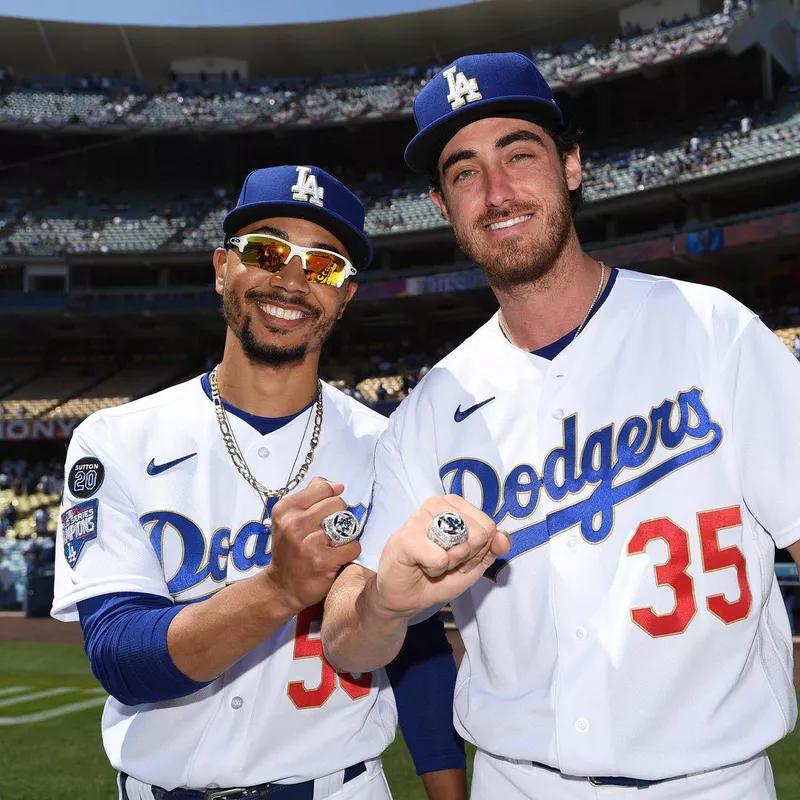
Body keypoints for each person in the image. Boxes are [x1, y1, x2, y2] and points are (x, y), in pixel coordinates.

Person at [321, 53, 800, 800]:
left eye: (520, 154)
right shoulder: (429, 410)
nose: (498, 191)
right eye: (465, 173)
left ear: (572, 164)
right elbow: (347, 639)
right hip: (518, 784)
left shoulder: (714, 330)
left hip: (715, 783)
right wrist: (387, 601)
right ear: (443, 207)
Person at [52, 165, 465, 800]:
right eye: (268, 251)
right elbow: (119, 658)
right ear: (222, 267)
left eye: (324, 265)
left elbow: (415, 646)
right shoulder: (116, 439)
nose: (294, 279)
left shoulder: (391, 446)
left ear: (345, 296)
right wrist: (277, 589)